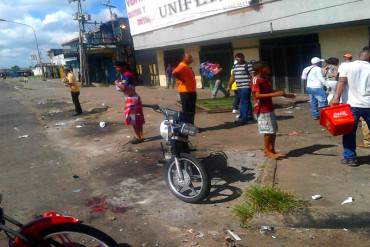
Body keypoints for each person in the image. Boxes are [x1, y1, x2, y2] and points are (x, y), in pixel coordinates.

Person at [331, 46, 370, 166]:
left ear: (360, 55)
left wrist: (336, 98)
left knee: (349, 132)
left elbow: (341, 81)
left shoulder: (348, 66)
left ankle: (350, 158)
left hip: (352, 105)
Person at [252, 62, 295, 159]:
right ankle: (267, 151)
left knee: (273, 130)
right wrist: (275, 94)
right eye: (267, 67)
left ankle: (272, 150)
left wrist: (285, 94)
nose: (269, 69)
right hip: (262, 109)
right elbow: (257, 95)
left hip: (269, 107)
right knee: (268, 131)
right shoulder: (256, 79)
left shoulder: (265, 79)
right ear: (261, 69)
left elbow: (270, 90)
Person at [114, 61, 145, 144]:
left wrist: (116, 83)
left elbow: (123, 87)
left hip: (132, 100)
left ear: (123, 67)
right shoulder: (127, 74)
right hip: (135, 98)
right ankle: (141, 136)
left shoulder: (126, 75)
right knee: (137, 119)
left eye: (118, 67)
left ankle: (139, 137)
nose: (117, 69)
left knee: (133, 119)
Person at [227, 53, 253, 125]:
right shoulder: (235, 66)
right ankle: (249, 117)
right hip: (239, 87)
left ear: (243, 57)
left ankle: (243, 118)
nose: (238, 59)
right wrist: (229, 86)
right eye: (237, 57)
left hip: (246, 86)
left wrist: (253, 86)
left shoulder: (248, 65)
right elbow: (233, 77)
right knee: (246, 102)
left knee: (243, 102)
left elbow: (252, 76)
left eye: (240, 57)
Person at [173, 53, 197, 124]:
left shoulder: (187, 66)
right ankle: (186, 126)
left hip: (191, 91)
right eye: (189, 57)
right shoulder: (182, 65)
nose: (191, 59)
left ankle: (191, 126)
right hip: (185, 92)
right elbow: (174, 73)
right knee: (187, 111)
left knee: (192, 111)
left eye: (191, 58)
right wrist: (182, 79)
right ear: (184, 58)